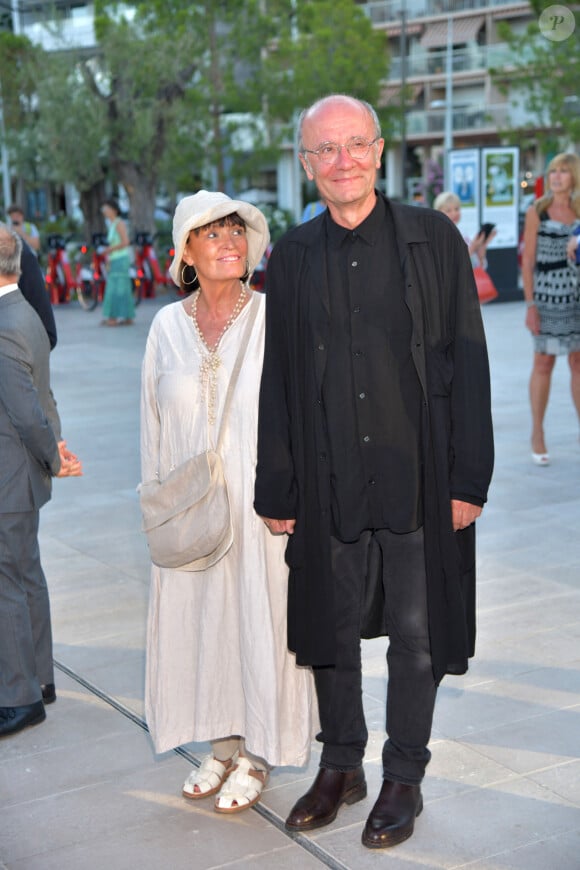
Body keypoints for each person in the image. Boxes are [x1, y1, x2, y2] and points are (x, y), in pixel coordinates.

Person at [254, 95, 494, 850]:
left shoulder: (432, 240)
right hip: (329, 483)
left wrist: (468, 481)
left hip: (418, 480)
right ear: (305, 166)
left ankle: (403, 775)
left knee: (417, 637)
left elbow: (467, 360)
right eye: (324, 151)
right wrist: (278, 482)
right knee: (331, 630)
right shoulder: (291, 257)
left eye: (354, 145)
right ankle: (341, 765)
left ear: (381, 151)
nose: (341, 161)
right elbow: (281, 379)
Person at [140, 191, 314, 814]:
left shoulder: (275, 315)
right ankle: (221, 743)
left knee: (258, 621)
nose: (229, 242)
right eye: (212, 233)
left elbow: (302, 412)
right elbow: (152, 424)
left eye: (236, 232)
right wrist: (160, 503)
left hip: (263, 505)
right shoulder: (165, 326)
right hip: (194, 507)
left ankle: (258, 752)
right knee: (203, 620)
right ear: (185, 251)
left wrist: (294, 494)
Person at [0, 225, 82, 738]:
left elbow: (28, 412)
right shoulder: (23, 311)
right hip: (20, 473)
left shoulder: (4, 323)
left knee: (7, 583)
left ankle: (18, 695)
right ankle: (41, 678)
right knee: (26, 575)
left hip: (9, 475)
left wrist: (53, 455)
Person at [521, 152, 580, 466]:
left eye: (563, 171)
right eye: (553, 170)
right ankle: (537, 433)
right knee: (543, 363)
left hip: (577, 294)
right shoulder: (538, 211)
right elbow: (528, 260)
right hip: (547, 295)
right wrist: (530, 304)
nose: (557, 176)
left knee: (578, 363)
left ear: (573, 176)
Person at [433, 191, 496, 268]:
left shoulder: (463, 234)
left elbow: (478, 266)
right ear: (438, 213)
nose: (454, 213)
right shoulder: (438, 236)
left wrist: (482, 246)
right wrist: (473, 248)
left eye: (457, 209)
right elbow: (451, 266)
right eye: (448, 210)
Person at [100, 199, 135, 326]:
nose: (104, 212)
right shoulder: (112, 224)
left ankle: (114, 317)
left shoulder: (119, 223)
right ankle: (125, 316)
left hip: (120, 259)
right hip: (115, 259)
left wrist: (109, 250)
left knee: (116, 288)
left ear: (114, 210)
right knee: (120, 287)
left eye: (106, 209)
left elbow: (126, 242)